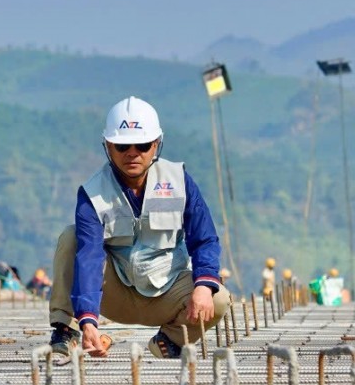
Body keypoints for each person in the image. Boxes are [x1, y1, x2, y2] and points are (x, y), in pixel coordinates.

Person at [48, 96, 232, 358]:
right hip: (115, 295)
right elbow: (89, 257)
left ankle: (170, 340)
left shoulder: (179, 182)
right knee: (71, 237)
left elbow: (204, 240)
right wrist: (88, 320)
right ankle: (67, 330)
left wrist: (203, 286)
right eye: (122, 146)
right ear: (108, 146)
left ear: (156, 144)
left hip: (167, 291)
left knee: (218, 297)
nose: (132, 153)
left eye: (143, 145)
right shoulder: (93, 193)